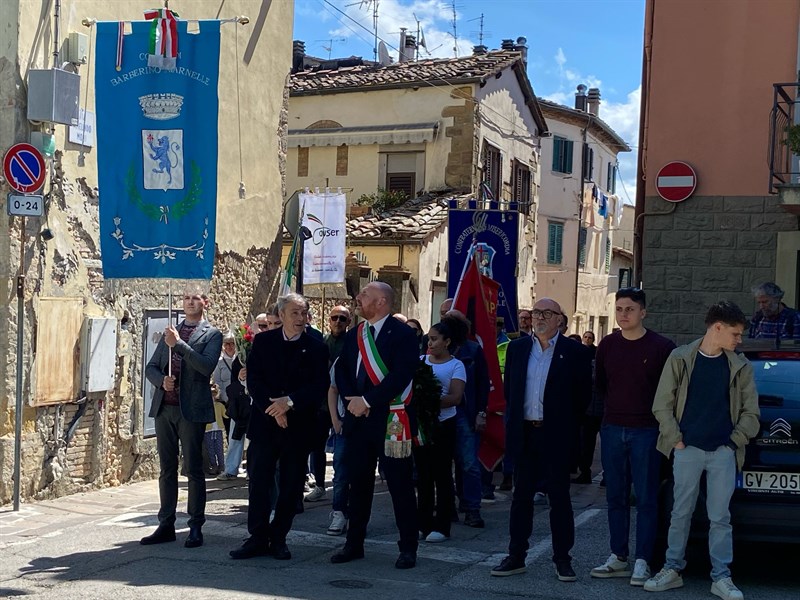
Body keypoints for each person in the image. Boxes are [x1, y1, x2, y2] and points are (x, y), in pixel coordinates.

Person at [646, 301, 760, 600]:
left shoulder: (740, 365)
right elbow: (662, 404)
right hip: (687, 449)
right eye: (735, 334)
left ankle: (721, 576)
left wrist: (733, 442)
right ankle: (672, 569)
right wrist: (677, 440)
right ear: (717, 328)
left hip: (723, 451)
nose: (739, 340)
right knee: (680, 512)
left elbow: (751, 413)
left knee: (720, 517)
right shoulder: (681, 358)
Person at [491, 298, 592, 582]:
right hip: (525, 433)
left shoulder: (574, 352)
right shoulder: (517, 348)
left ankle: (562, 559)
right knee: (520, 498)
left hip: (556, 435)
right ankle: (516, 555)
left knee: (559, 499)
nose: (540, 318)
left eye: (548, 313)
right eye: (536, 312)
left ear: (560, 319)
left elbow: (582, 396)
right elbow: (510, 389)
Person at [229, 293, 330, 560]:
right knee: (259, 483)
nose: (300, 318)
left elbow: (318, 386)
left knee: (291, 485)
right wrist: (273, 410)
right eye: (294, 313)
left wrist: (290, 403)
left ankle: (279, 537)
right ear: (282, 315)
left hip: (298, 426)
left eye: (303, 313)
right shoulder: (263, 342)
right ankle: (257, 537)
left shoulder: (317, 347)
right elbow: (255, 380)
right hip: (265, 424)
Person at [590, 287, 676, 586]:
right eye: (619, 309)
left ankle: (643, 560)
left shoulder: (662, 347)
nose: (623, 314)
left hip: (647, 431)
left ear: (643, 312)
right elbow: (601, 384)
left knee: (647, 497)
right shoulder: (607, 345)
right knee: (615, 496)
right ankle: (618, 556)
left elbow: (670, 392)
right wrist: (603, 422)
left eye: (629, 309)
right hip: (613, 428)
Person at [331, 281, 420, 569]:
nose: (358, 298)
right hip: (358, 421)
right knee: (358, 485)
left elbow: (401, 375)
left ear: (381, 301)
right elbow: (342, 369)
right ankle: (354, 544)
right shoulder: (357, 333)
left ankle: (407, 547)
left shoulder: (404, 334)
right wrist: (351, 398)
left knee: (399, 486)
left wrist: (367, 400)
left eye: (365, 295)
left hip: (390, 420)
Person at [141, 288, 222, 549]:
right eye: (186, 299)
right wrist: (160, 381)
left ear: (204, 303)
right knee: (166, 469)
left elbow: (205, 366)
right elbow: (151, 367)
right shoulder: (170, 332)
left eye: (195, 299)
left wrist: (180, 345)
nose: (189, 302)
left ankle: (195, 525)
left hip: (192, 410)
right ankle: (166, 523)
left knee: (193, 469)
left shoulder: (212, 334)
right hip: (166, 408)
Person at [415, 321, 466, 542]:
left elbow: (455, 397)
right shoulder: (420, 362)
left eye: (435, 338)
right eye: (429, 337)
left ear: (447, 341)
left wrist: (429, 401)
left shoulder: (456, 366)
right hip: (421, 425)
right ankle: (423, 522)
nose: (430, 342)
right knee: (423, 475)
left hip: (444, 425)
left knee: (442, 475)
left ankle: (442, 525)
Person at [442, 311, 488, 528]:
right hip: (440, 414)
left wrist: (481, 412)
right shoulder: (435, 348)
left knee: (468, 463)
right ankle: (447, 506)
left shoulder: (473, 350)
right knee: (442, 462)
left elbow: (482, 384)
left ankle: (472, 508)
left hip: (464, 413)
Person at [305, 305, 352, 504]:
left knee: (346, 447)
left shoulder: (352, 343)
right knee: (317, 445)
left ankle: (345, 485)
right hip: (323, 401)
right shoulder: (322, 342)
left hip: (346, 400)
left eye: (342, 318)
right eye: (334, 318)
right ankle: (320, 485)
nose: (338, 322)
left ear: (348, 322)